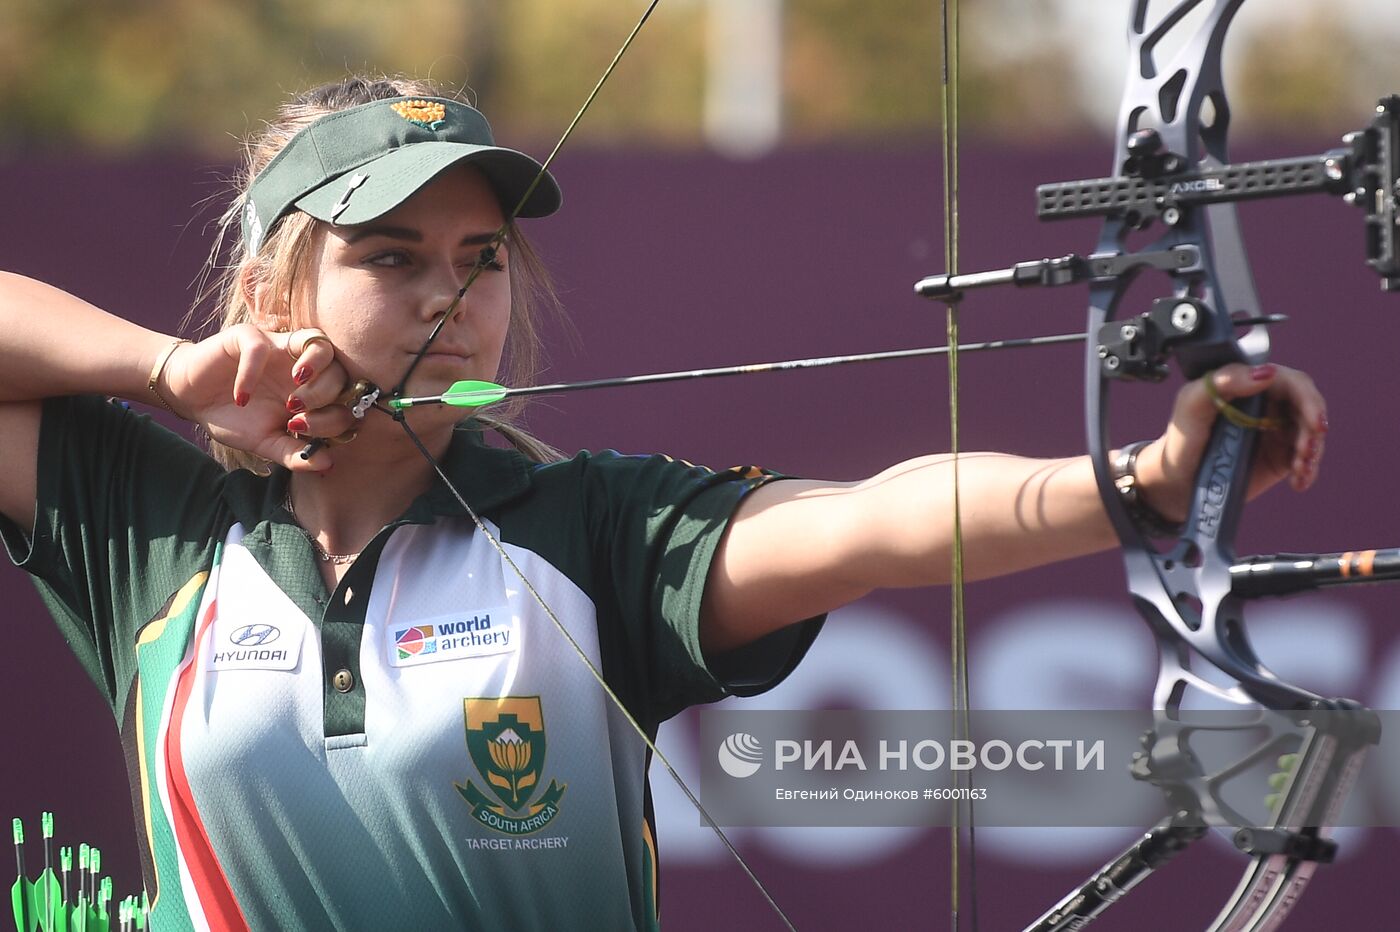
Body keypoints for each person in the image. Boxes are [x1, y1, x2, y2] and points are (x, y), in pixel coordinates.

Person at [0, 76, 1327, 930]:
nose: (448, 298)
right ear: (267, 297)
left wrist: (1139, 481)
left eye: (481, 260)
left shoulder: (590, 535)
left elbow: (872, 521)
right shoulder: (156, 535)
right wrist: (166, 371)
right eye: (390, 257)